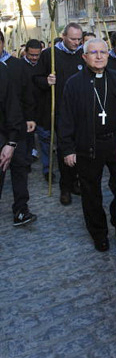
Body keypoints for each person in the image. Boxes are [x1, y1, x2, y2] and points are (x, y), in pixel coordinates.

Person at [59, 39, 116, 252]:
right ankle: (99, 233)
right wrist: (68, 149)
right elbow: (66, 118)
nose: (99, 56)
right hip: (88, 145)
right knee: (91, 193)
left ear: (108, 55)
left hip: (115, 143)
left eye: (103, 52)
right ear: (84, 56)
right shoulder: (74, 83)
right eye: (93, 53)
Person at [35, 22, 84, 205]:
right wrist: (46, 81)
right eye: (73, 39)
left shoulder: (82, 54)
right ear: (63, 36)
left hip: (79, 111)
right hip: (60, 111)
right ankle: (65, 187)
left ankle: (75, 181)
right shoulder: (50, 55)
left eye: (79, 39)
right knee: (65, 150)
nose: (76, 42)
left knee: (80, 148)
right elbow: (36, 79)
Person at [0, 31, 37, 226]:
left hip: (17, 124)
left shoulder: (17, 65)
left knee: (20, 168)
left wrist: (30, 117)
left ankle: (21, 209)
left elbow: (27, 92)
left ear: (2, 43)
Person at [22, 39, 52, 177]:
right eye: (31, 55)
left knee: (45, 141)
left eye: (37, 55)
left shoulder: (44, 64)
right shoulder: (19, 66)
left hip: (42, 110)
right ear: (25, 52)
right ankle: (25, 163)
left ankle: (47, 169)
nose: (34, 58)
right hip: (25, 111)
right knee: (26, 141)